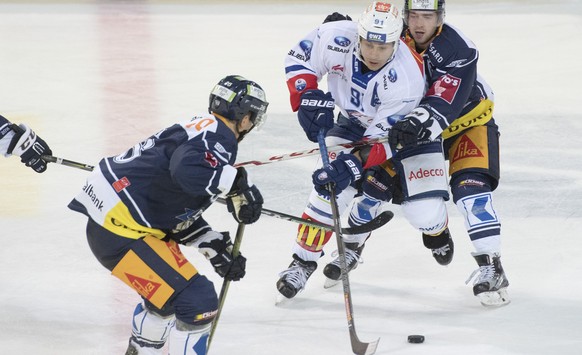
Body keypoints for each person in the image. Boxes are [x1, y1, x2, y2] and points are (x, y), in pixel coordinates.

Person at [68, 75, 268, 355]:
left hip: (116, 226)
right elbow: (187, 172)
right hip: (121, 231)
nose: (252, 122)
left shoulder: (202, 128)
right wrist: (235, 184)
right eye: (253, 115)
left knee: (166, 299)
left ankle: (141, 350)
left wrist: (211, 243)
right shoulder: (220, 138)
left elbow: (170, 204)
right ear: (244, 115)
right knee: (198, 302)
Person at [278, 1, 452, 300]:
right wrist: (307, 95)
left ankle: (436, 231)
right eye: (368, 43)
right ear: (358, 35)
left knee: (424, 214)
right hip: (352, 124)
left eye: (382, 47)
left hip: (409, 134)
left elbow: (387, 140)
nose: (373, 53)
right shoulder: (335, 36)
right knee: (329, 186)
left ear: (397, 41)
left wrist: (353, 164)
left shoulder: (407, 79)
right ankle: (302, 261)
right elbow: (299, 58)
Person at [386, 0, 509, 306]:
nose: (418, 23)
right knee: (383, 184)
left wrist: (416, 123)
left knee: (470, 190)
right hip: (421, 126)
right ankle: (432, 231)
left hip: (468, 120)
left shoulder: (459, 48)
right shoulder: (394, 35)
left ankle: (492, 267)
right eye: (413, 15)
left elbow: (447, 101)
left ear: (440, 17)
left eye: (426, 16)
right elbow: (366, 43)